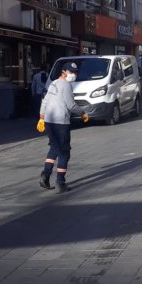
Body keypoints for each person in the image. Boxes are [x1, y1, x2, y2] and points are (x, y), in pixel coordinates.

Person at [37, 62, 89, 193]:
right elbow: (71, 105)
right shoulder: (66, 85)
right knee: (64, 152)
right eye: (71, 72)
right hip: (61, 122)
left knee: (54, 147)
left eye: (75, 72)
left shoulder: (53, 83)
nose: (74, 74)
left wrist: (42, 117)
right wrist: (82, 112)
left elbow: (45, 100)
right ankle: (60, 182)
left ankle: (45, 175)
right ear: (64, 71)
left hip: (49, 120)